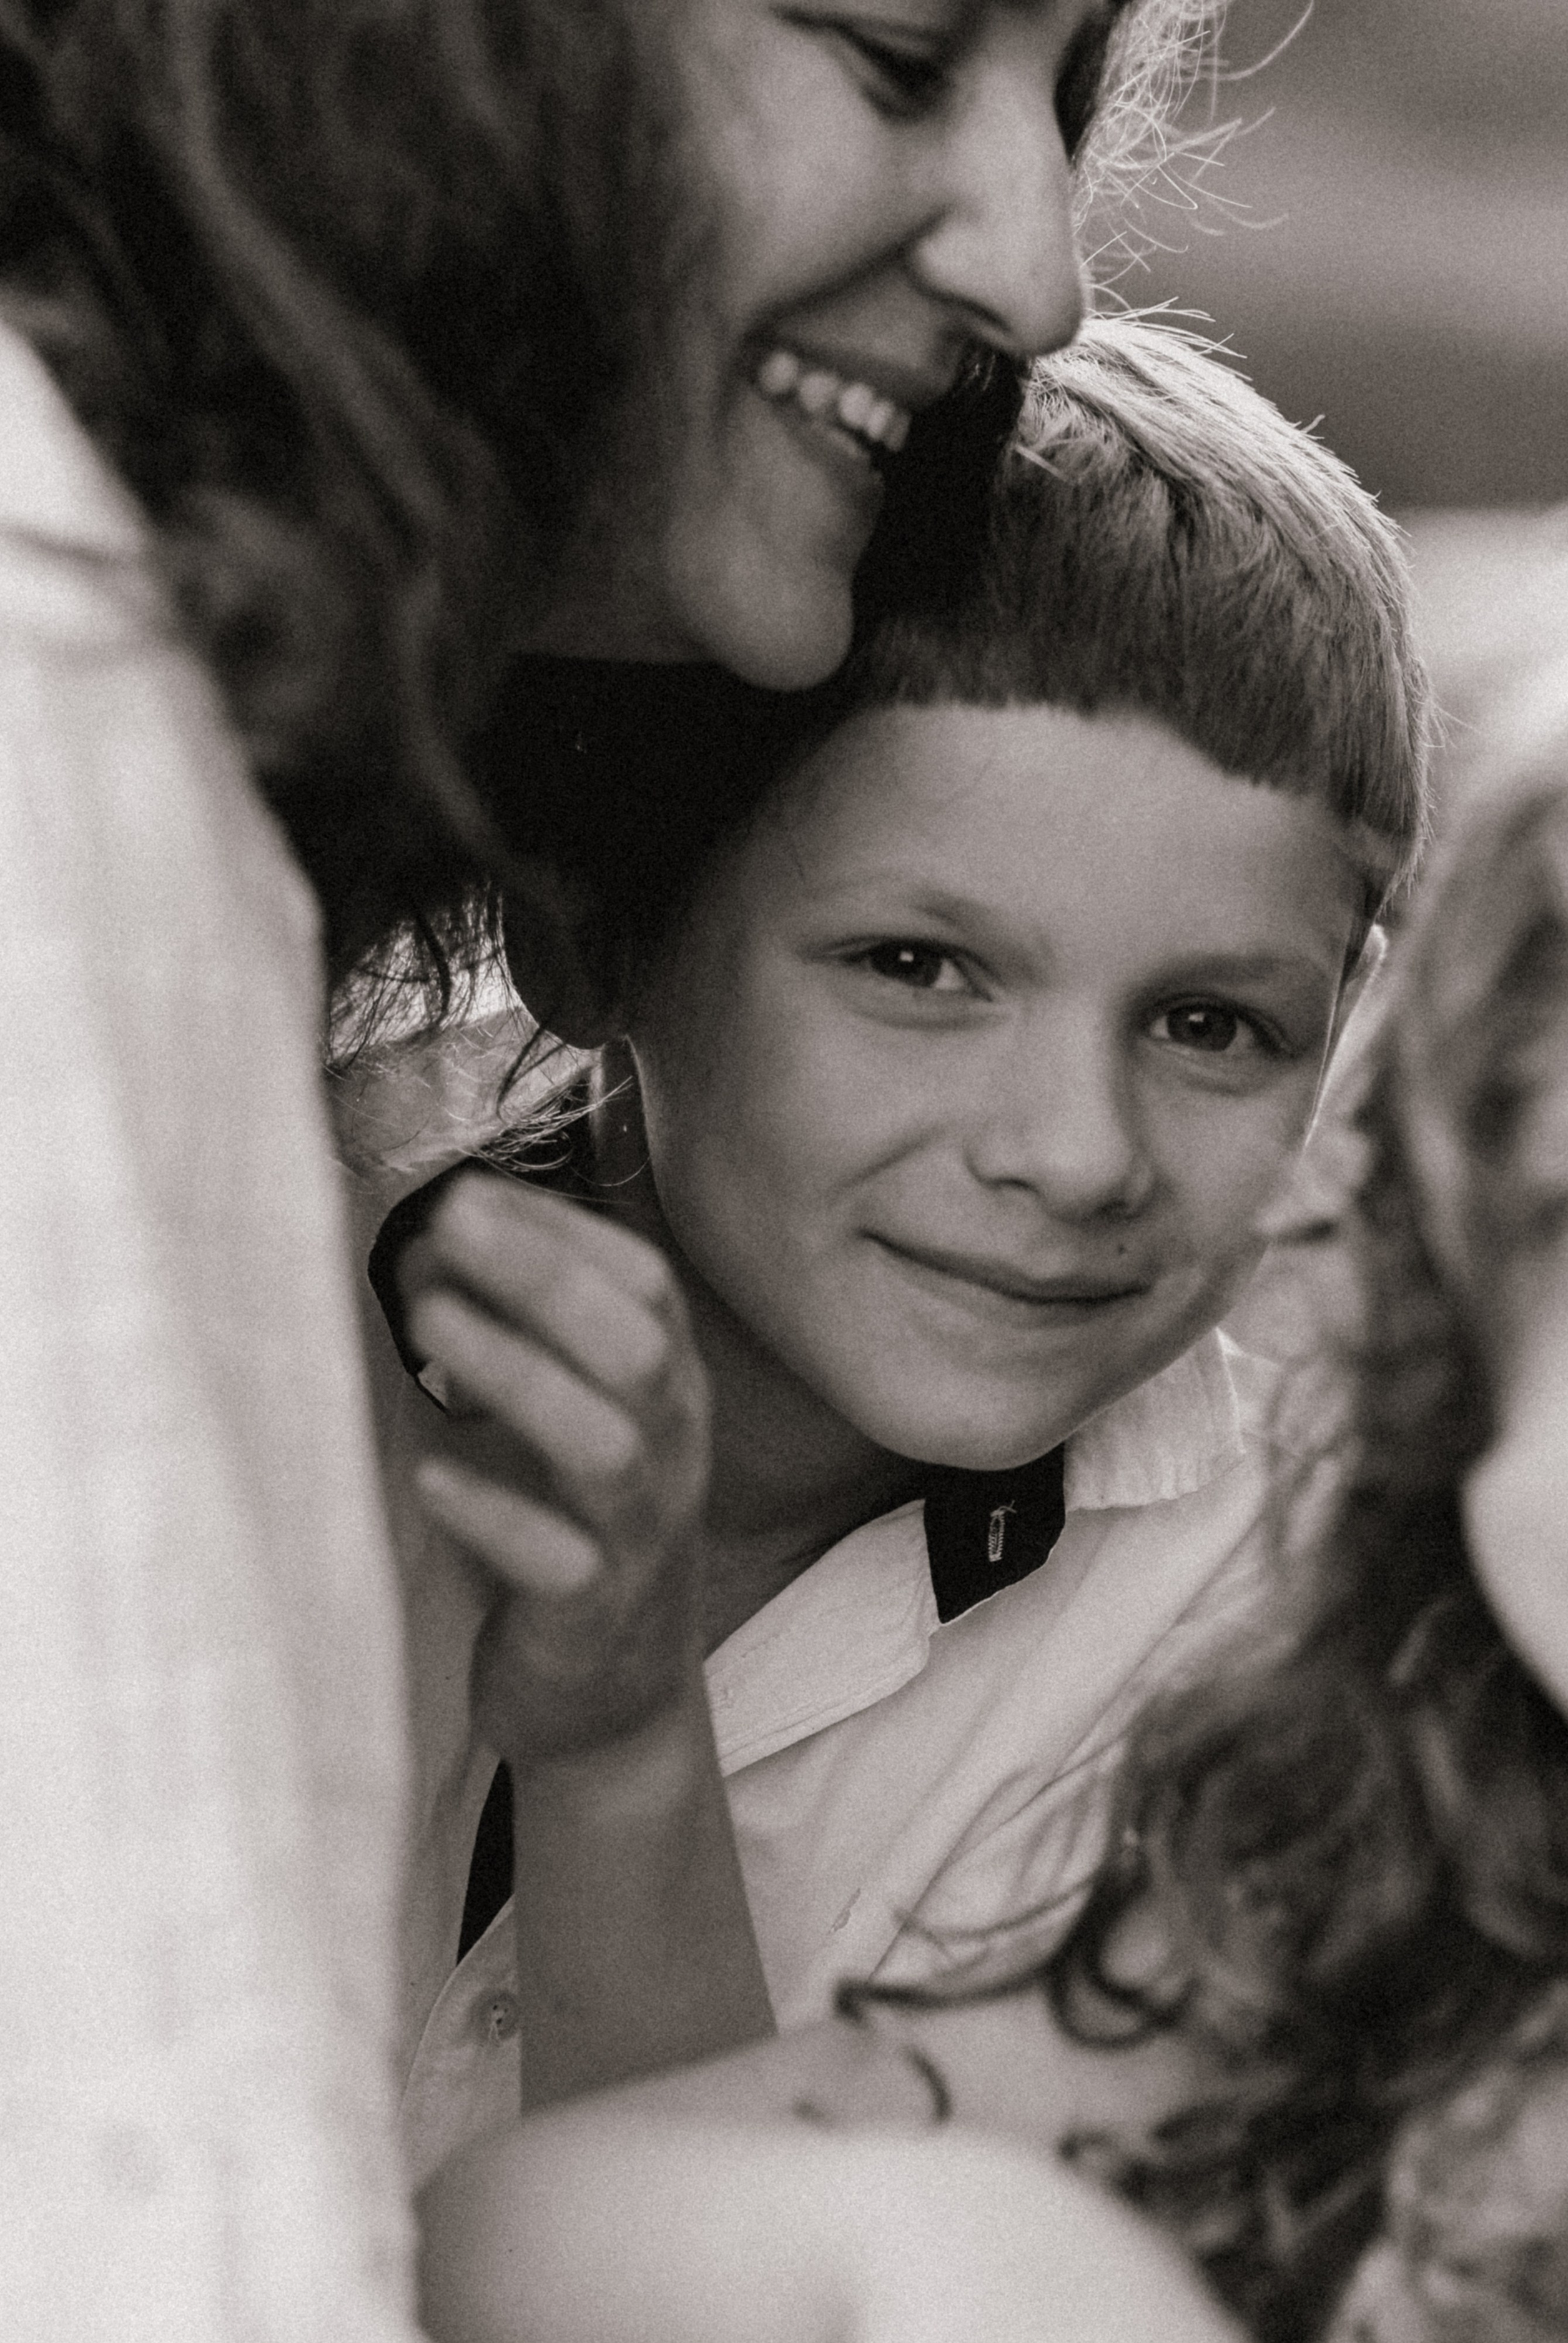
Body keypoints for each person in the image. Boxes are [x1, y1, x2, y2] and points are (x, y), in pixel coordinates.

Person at [0, 0, 1178, 2343]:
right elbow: (164, 2283)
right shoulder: (56, 735)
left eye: (1053, 107)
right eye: (891, 55)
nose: (1041, 272)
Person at [416, 651, 1568, 2343]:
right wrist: (959, 2253)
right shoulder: (1394, 1918)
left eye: (1213, 1020)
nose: (1072, 1151)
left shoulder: (1195, 1583)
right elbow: (498, 2246)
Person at [380, 315, 1436, 2180]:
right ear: (589, 936)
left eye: (1212, 1025)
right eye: (921, 970)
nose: (1077, 1153)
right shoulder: (189, 1267)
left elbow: (744, 2338)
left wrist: (623, 1745)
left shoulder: (1253, 1659)